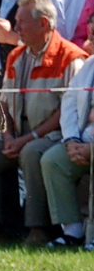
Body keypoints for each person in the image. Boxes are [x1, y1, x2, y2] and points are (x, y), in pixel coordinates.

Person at [0, 0, 85, 245]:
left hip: (54, 137)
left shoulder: (71, 58)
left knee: (31, 152)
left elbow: (66, 111)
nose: (16, 27)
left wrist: (28, 138)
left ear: (43, 23)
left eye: (21, 21)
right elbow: (5, 103)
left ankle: (39, 229)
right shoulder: (16, 56)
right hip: (18, 134)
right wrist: (8, 136)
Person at [40, 24, 94, 250]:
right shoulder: (89, 65)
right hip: (82, 139)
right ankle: (73, 230)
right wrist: (71, 140)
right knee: (53, 160)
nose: (89, 39)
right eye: (91, 33)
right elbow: (70, 101)